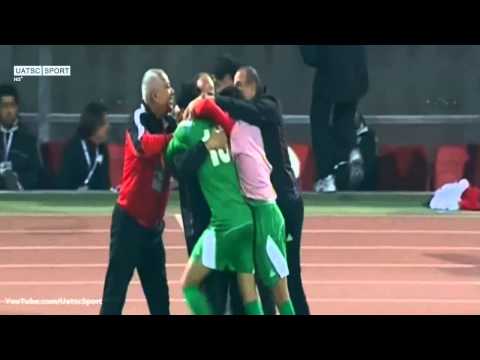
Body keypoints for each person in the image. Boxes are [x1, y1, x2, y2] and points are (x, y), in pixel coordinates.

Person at [193, 66, 310, 315]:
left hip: (284, 204)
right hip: (263, 206)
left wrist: (215, 99)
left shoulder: (268, 107)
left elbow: (252, 110)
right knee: (264, 279)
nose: (236, 90)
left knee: (288, 278)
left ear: (253, 87)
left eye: (239, 84)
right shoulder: (243, 123)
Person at [166, 95, 263, 316]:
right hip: (247, 220)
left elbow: (175, 166)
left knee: (189, 285)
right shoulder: (224, 129)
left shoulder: (184, 132)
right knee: (249, 296)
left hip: (222, 226)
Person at [100, 69, 176, 315]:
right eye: (167, 86)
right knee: (114, 296)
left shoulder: (169, 122)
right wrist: (173, 138)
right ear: (155, 95)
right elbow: (143, 145)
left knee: (160, 301)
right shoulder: (138, 117)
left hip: (153, 228)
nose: (172, 91)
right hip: (129, 223)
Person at [299, 45, 369, 193]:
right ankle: (351, 150)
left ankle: (326, 177)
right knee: (345, 117)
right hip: (356, 71)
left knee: (319, 123)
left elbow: (310, 57)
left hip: (331, 72)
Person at [58, 102, 111, 190]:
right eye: (104, 123)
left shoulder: (102, 149)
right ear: (94, 124)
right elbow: (63, 183)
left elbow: (105, 183)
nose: (108, 126)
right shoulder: (74, 148)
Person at [0, 84, 41, 191]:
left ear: (17, 108)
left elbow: (35, 174)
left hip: (20, 194)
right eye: (4, 106)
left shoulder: (28, 141)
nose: (9, 111)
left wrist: (16, 179)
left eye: (12, 106)